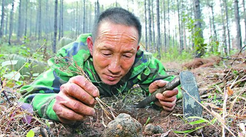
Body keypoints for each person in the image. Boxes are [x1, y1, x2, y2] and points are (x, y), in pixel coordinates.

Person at [20, 7, 182, 124]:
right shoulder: (71, 59)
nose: (114, 67)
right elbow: (30, 96)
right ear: (91, 46)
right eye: (106, 53)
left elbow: (173, 85)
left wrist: (165, 96)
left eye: (126, 55)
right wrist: (54, 105)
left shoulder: (144, 62)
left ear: (136, 51)